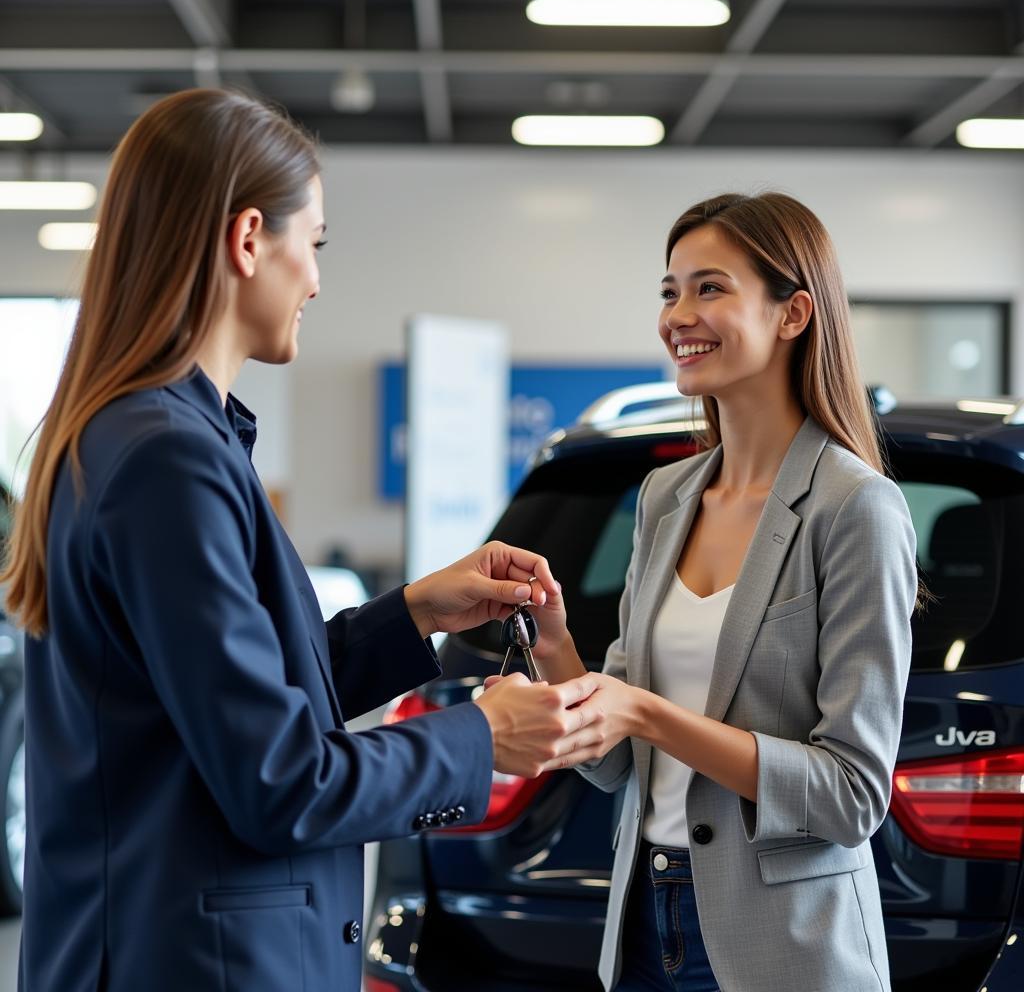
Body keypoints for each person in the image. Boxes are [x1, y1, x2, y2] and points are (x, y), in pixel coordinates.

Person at [0, 89, 605, 992]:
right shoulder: (168, 457)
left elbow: (219, 695)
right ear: (250, 240)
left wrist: (411, 616)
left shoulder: (154, 436)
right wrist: (481, 736)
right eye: (313, 245)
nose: (317, 280)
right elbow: (279, 778)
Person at [514, 193, 919, 991]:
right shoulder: (666, 496)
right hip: (642, 923)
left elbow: (851, 795)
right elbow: (621, 763)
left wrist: (647, 711)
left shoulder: (854, 506)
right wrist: (559, 651)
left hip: (783, 946)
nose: (678, 315)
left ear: (794, 313)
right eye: (669, 291)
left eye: (709, 288)